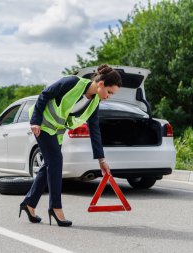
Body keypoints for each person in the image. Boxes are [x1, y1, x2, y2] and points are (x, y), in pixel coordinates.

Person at [19, 64, 122, 227]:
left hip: (57, 129)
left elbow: (95, 130)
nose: (109, 96)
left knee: (48, 166)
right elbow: (44, 94)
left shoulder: (94, 102)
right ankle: (55, 207)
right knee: (55, 162)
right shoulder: (72, 82)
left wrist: (101, 160)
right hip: (43, 124)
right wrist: (35, 121)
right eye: (109, 92)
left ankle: (29, 204)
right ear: (101, 84)